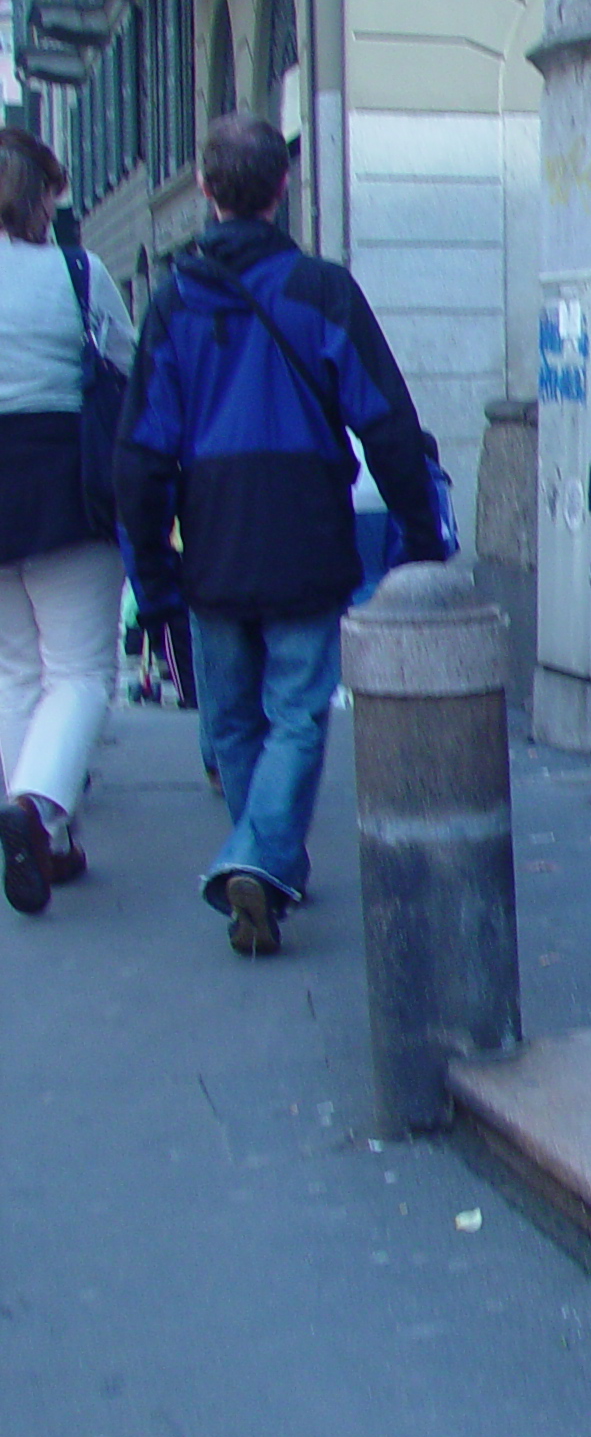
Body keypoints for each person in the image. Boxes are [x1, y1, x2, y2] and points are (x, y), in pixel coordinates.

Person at [116, 115, 446, 956]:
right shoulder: (321, 291)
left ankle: (260, 859)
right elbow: (387, 420)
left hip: (215, 538)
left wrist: (153, 578)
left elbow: (143, 455)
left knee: (232, 721)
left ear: (204, 189)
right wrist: (418, 530)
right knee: (298, 712)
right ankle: (263, 860)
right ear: (281, 188)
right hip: (305, 530)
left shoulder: (173, 301)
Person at [0, 129, 137, 915]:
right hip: (64, 487)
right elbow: (121, 362)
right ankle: (37, 811)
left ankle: (45, 845)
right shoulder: (77, 272)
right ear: (42, 194)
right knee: (81, 672)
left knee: (15, 672)